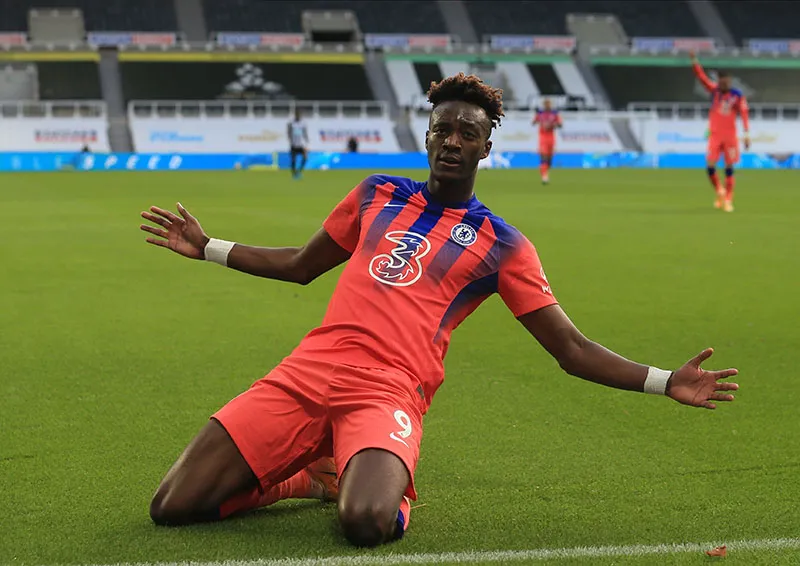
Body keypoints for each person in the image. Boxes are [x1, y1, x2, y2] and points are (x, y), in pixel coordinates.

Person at [140, 73, 739, 548]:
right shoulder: (376, 193)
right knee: (172, 508)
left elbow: (571, 350)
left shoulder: (504, 244)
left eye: (467, 133)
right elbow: (300, 263)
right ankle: (305, 477)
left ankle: (362, 480)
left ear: (485, 147)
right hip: (309, 371)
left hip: (388, 391)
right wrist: (210, 248)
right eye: (442, 128)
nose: (452, 140)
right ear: (427, 135)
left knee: (365, 525)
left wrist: (665, 382)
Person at [690, 50, 750, 212]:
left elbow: (744, 113)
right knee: (710, 166)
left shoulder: (737, 95)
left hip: (730, 136)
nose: (725, 84)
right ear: (719, 81)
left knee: (729, 168)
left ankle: (728, 200)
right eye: (723, 82)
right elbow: (702, 78)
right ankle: (719, 190)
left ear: (730, 81)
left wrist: (746, 134)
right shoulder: (714, 91)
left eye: (727, 82)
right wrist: (695, 62)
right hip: (715, 135)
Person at [532, 99, 562, 185]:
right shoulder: (540, 113)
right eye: (546, 104)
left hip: (551, 138)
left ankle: (545, 172)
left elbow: (560, 124)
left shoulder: (554, 113)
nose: (547, 106)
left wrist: (553, 124)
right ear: (544, 105)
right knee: (544, 157)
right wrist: (537, 120)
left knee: (549, 160)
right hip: (543, 138)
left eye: (549, 104)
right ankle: (544, 177)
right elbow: (534, 122)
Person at [287, 109, 309, 179]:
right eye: (297, 115)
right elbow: (288, 132)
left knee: (305, 158)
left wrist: (306, 142)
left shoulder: (303, 124)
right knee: (293, 160)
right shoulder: (291, 123)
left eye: (299, 115)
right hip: (293, 145)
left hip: (301, 145)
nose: (298, 116)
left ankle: (299, 171)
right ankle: (294, 174)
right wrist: (290, 140)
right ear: (295, 115)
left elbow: (305, 133)